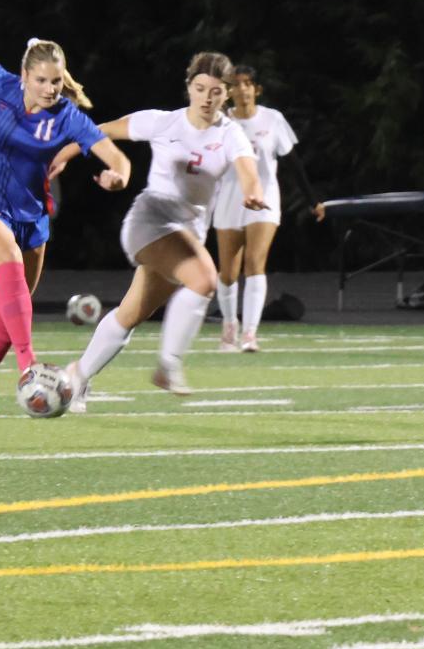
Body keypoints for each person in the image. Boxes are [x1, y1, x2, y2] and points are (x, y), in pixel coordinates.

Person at [0, 39, 130, 415]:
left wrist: (118, 177)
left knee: (12, 310)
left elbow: (116, 158)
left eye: (56, 81)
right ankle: (29, 368)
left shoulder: (66, 117)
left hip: (32, 220)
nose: (49, 89)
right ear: (24, 76)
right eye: (41, 80)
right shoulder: (1, 85)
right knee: (9, 262)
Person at [63, 51, 265, 410]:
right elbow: (96, 132)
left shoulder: (231, 134)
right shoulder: (162, 122)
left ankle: (76, 377)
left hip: (187, 232)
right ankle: (168, 365)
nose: (207, 97)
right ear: (188, 87)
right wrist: (62, 156)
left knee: (130, 314)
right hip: (150, 218)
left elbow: (249, 172)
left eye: (216, 91)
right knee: (205, 279)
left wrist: (253, 193)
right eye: (200, 88)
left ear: (226, 95)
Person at [211, 64, 323, 353]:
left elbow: (293, 163)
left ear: (257, 89)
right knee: (227, 272)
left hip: (264, 198)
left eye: (248, 84)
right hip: (230, 198)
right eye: (236, 85)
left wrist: (313, 200)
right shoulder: (219, 122)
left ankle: (250, 333)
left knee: (255, 263)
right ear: (228, 92)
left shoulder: (273, 120)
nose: (242, 89)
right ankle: (229, 326)